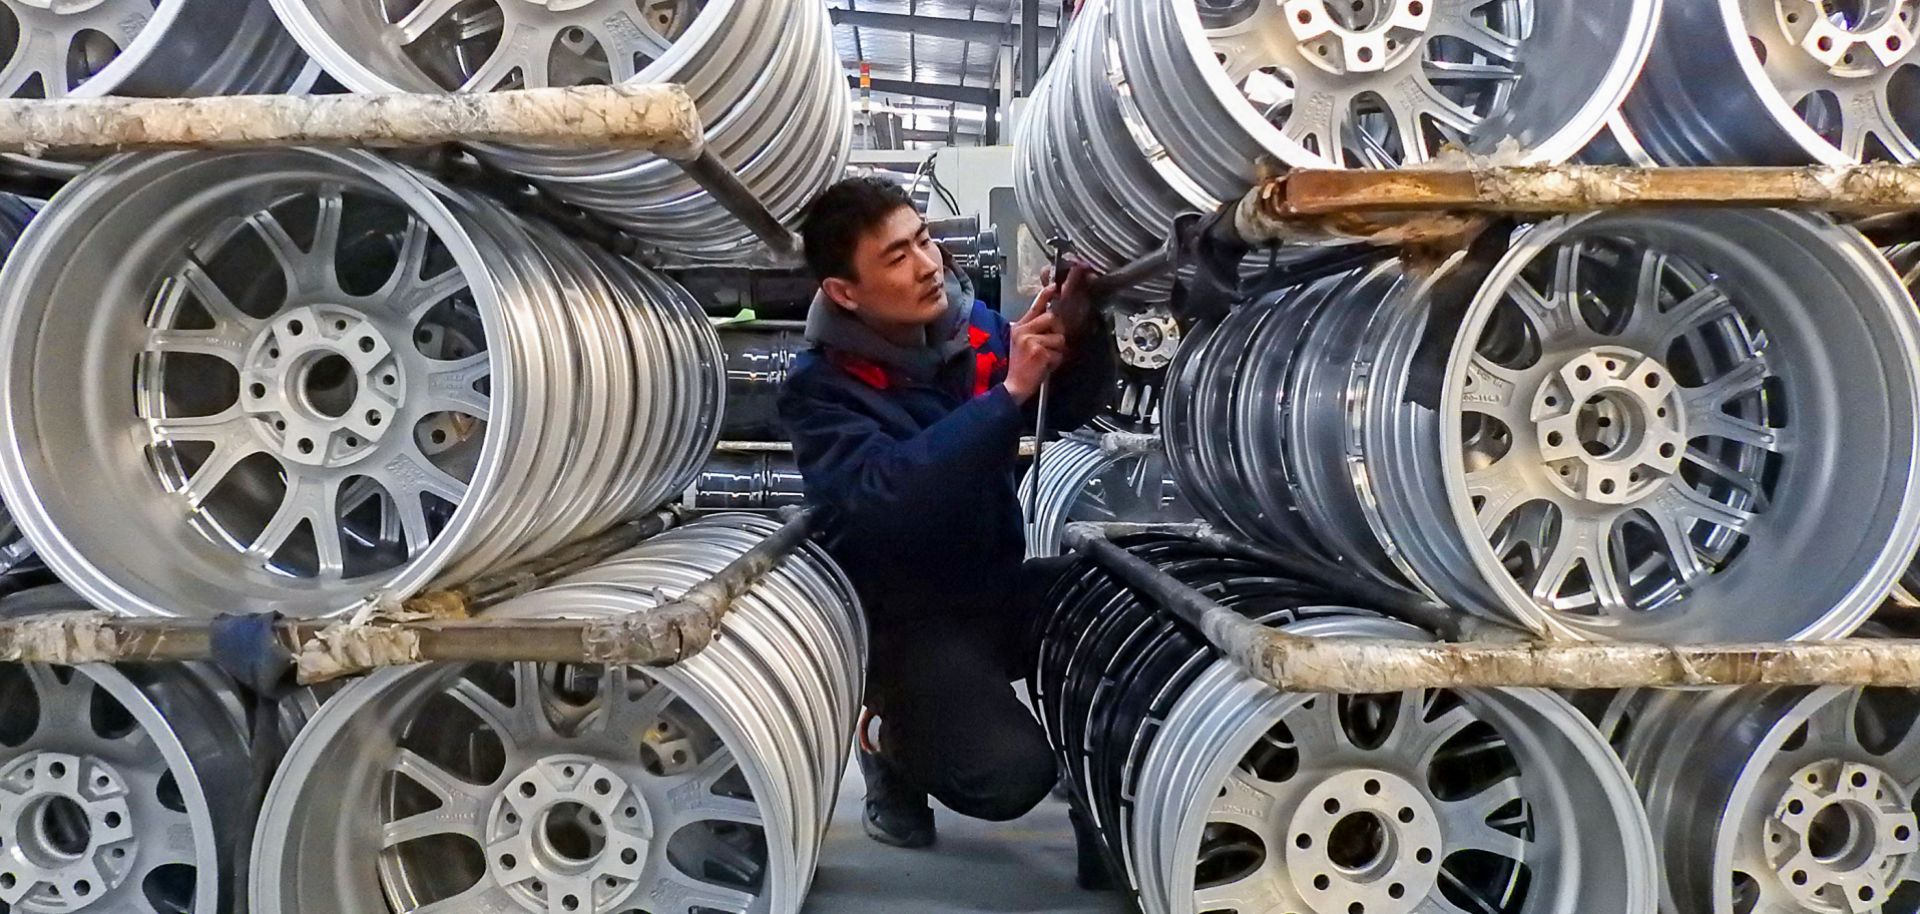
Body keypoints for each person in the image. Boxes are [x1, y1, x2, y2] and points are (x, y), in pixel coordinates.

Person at [778, 177, 1115, 860]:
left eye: (924, 239)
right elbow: (887, 493)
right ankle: (890, 742)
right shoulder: (820, 388)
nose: (929, 264)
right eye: (897, 256)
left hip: (992, 587)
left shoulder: (972, 332)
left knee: (1114, 600)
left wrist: (1080, 337)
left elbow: (1065, 409)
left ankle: (1095, 764)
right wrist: (1011, 390)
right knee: (1009, 777)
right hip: (907, 625)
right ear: (845, 292)